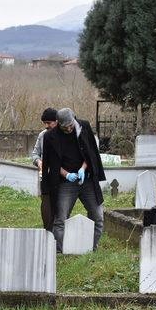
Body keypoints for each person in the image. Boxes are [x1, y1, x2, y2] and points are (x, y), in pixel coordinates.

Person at [41, 108, 106, 253]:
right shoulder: (50, 136)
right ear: (58, 124)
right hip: (65, 183)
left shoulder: (84, 126)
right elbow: (50, 163)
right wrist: (67, 174)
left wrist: (83, 168)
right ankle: (60, 250)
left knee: (98, 217)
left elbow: (91, 153)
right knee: (60, 219)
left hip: (86, 181)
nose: (69, 129)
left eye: (71, 125)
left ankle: (91, 248)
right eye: (65, 127)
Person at [32, 108, 58, 231]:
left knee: (59, 204)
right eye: (45, 123)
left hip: (61, 176)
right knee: (46, 203)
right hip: (46, 176)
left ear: (57, 121)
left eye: (49, 123)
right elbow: (35, 154)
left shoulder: (62, 135)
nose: (46, 126)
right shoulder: (42, 135)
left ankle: (58, 229)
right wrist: (39, 161)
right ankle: (47, 230)